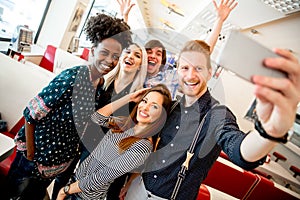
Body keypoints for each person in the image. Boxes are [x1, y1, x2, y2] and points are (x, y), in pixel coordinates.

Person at [121, 40, 300, 200]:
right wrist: (134, 177)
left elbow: (239, 150)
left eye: (198, 68)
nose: (190, 75)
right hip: (138, 187)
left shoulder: (218, 114)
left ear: (209, 73)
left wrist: (269, 132)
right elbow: (152, 148)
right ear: (178, 72)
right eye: (185, 68)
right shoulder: (170, 107)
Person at [5, 13, 132, 200]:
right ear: (92, 50)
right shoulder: (73, 77)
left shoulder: (99, 85)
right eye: (105, 53)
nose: (110, 61)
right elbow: (31, 114)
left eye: (116, 56)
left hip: (54, 166)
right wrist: (32, 156)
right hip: (34, 164)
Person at [56, 84, 172, 200]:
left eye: (154, 107)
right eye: (145, 101)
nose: (145, 108)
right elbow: (97, 118)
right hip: (75, 183)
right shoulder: (125, 124)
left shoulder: (142, 146)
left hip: (85, 196)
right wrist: (129, 98)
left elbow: (102, 177)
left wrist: (65, 191)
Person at [120, 0, 238, 100]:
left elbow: (203, 53)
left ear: (162, 60)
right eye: (149, 52)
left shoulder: (171, 76)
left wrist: (219, 20)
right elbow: (121, 47)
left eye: (158, 53)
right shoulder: (133, 71)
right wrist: (124, 18)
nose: (153, 56)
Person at [80, 42, 148, 200]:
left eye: (137, 56)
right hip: (87, 145)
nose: (130, 56)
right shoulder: (103, 82)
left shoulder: (140, 96)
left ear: (140, 66)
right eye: (128, 52)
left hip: (110, 155)